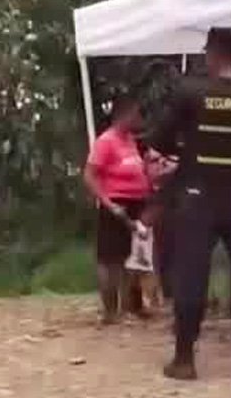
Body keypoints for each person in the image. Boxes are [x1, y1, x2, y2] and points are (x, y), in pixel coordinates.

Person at [148, 27, 231, 381]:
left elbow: (159, 138)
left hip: (199, 195)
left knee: (191, 273)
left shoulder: (190, 92)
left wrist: (187, 153)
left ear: (216, 54)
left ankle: (184, 360)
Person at [83, 94, 152, 324]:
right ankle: (110, 311)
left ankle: (128, 307)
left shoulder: (131, 140)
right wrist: (109, 204)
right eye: (136, 114)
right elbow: (90, 176)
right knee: (109, 258)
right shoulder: (106, 141)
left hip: (136, 204)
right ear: (125, 114)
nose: (139, 118)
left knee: (131, 259)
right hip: (116, 204)